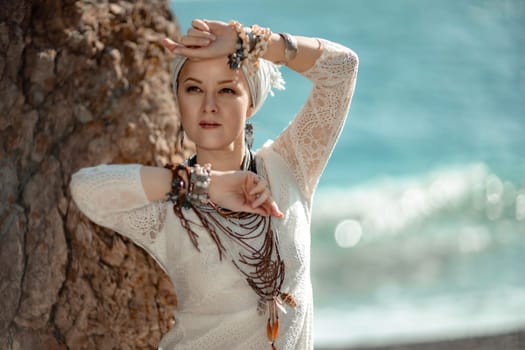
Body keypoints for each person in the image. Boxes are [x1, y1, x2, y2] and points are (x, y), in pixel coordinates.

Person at [70, 18, 358, 350]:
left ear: (250, 102)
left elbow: (341, 69)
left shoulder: (289, 166)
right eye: (194, 89)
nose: (209, 105)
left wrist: (253, 42)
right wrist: (204, 186)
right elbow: (86, 190)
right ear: (178, 101)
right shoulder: (169, 205)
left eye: (226, 89)